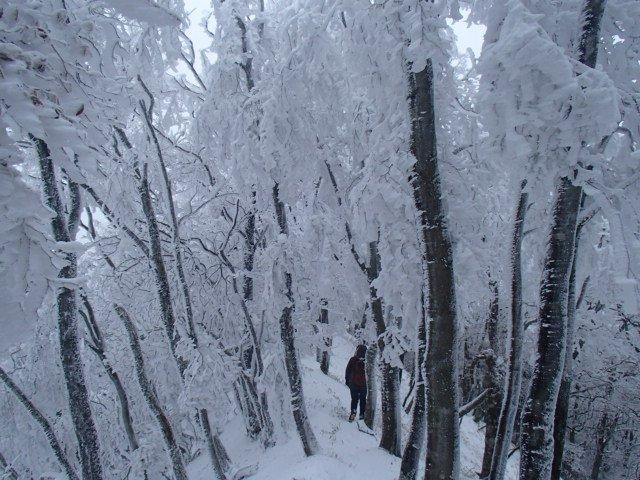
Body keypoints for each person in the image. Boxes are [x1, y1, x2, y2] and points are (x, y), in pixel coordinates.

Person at [345, 344, 367, 422]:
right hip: (364, 384)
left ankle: (353, 412)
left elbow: (347, 370)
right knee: (363, 399)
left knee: (354, 399)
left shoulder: (353, 359)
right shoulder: (367, 361)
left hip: (353, 383)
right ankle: (362, 415)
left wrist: (347, 381)